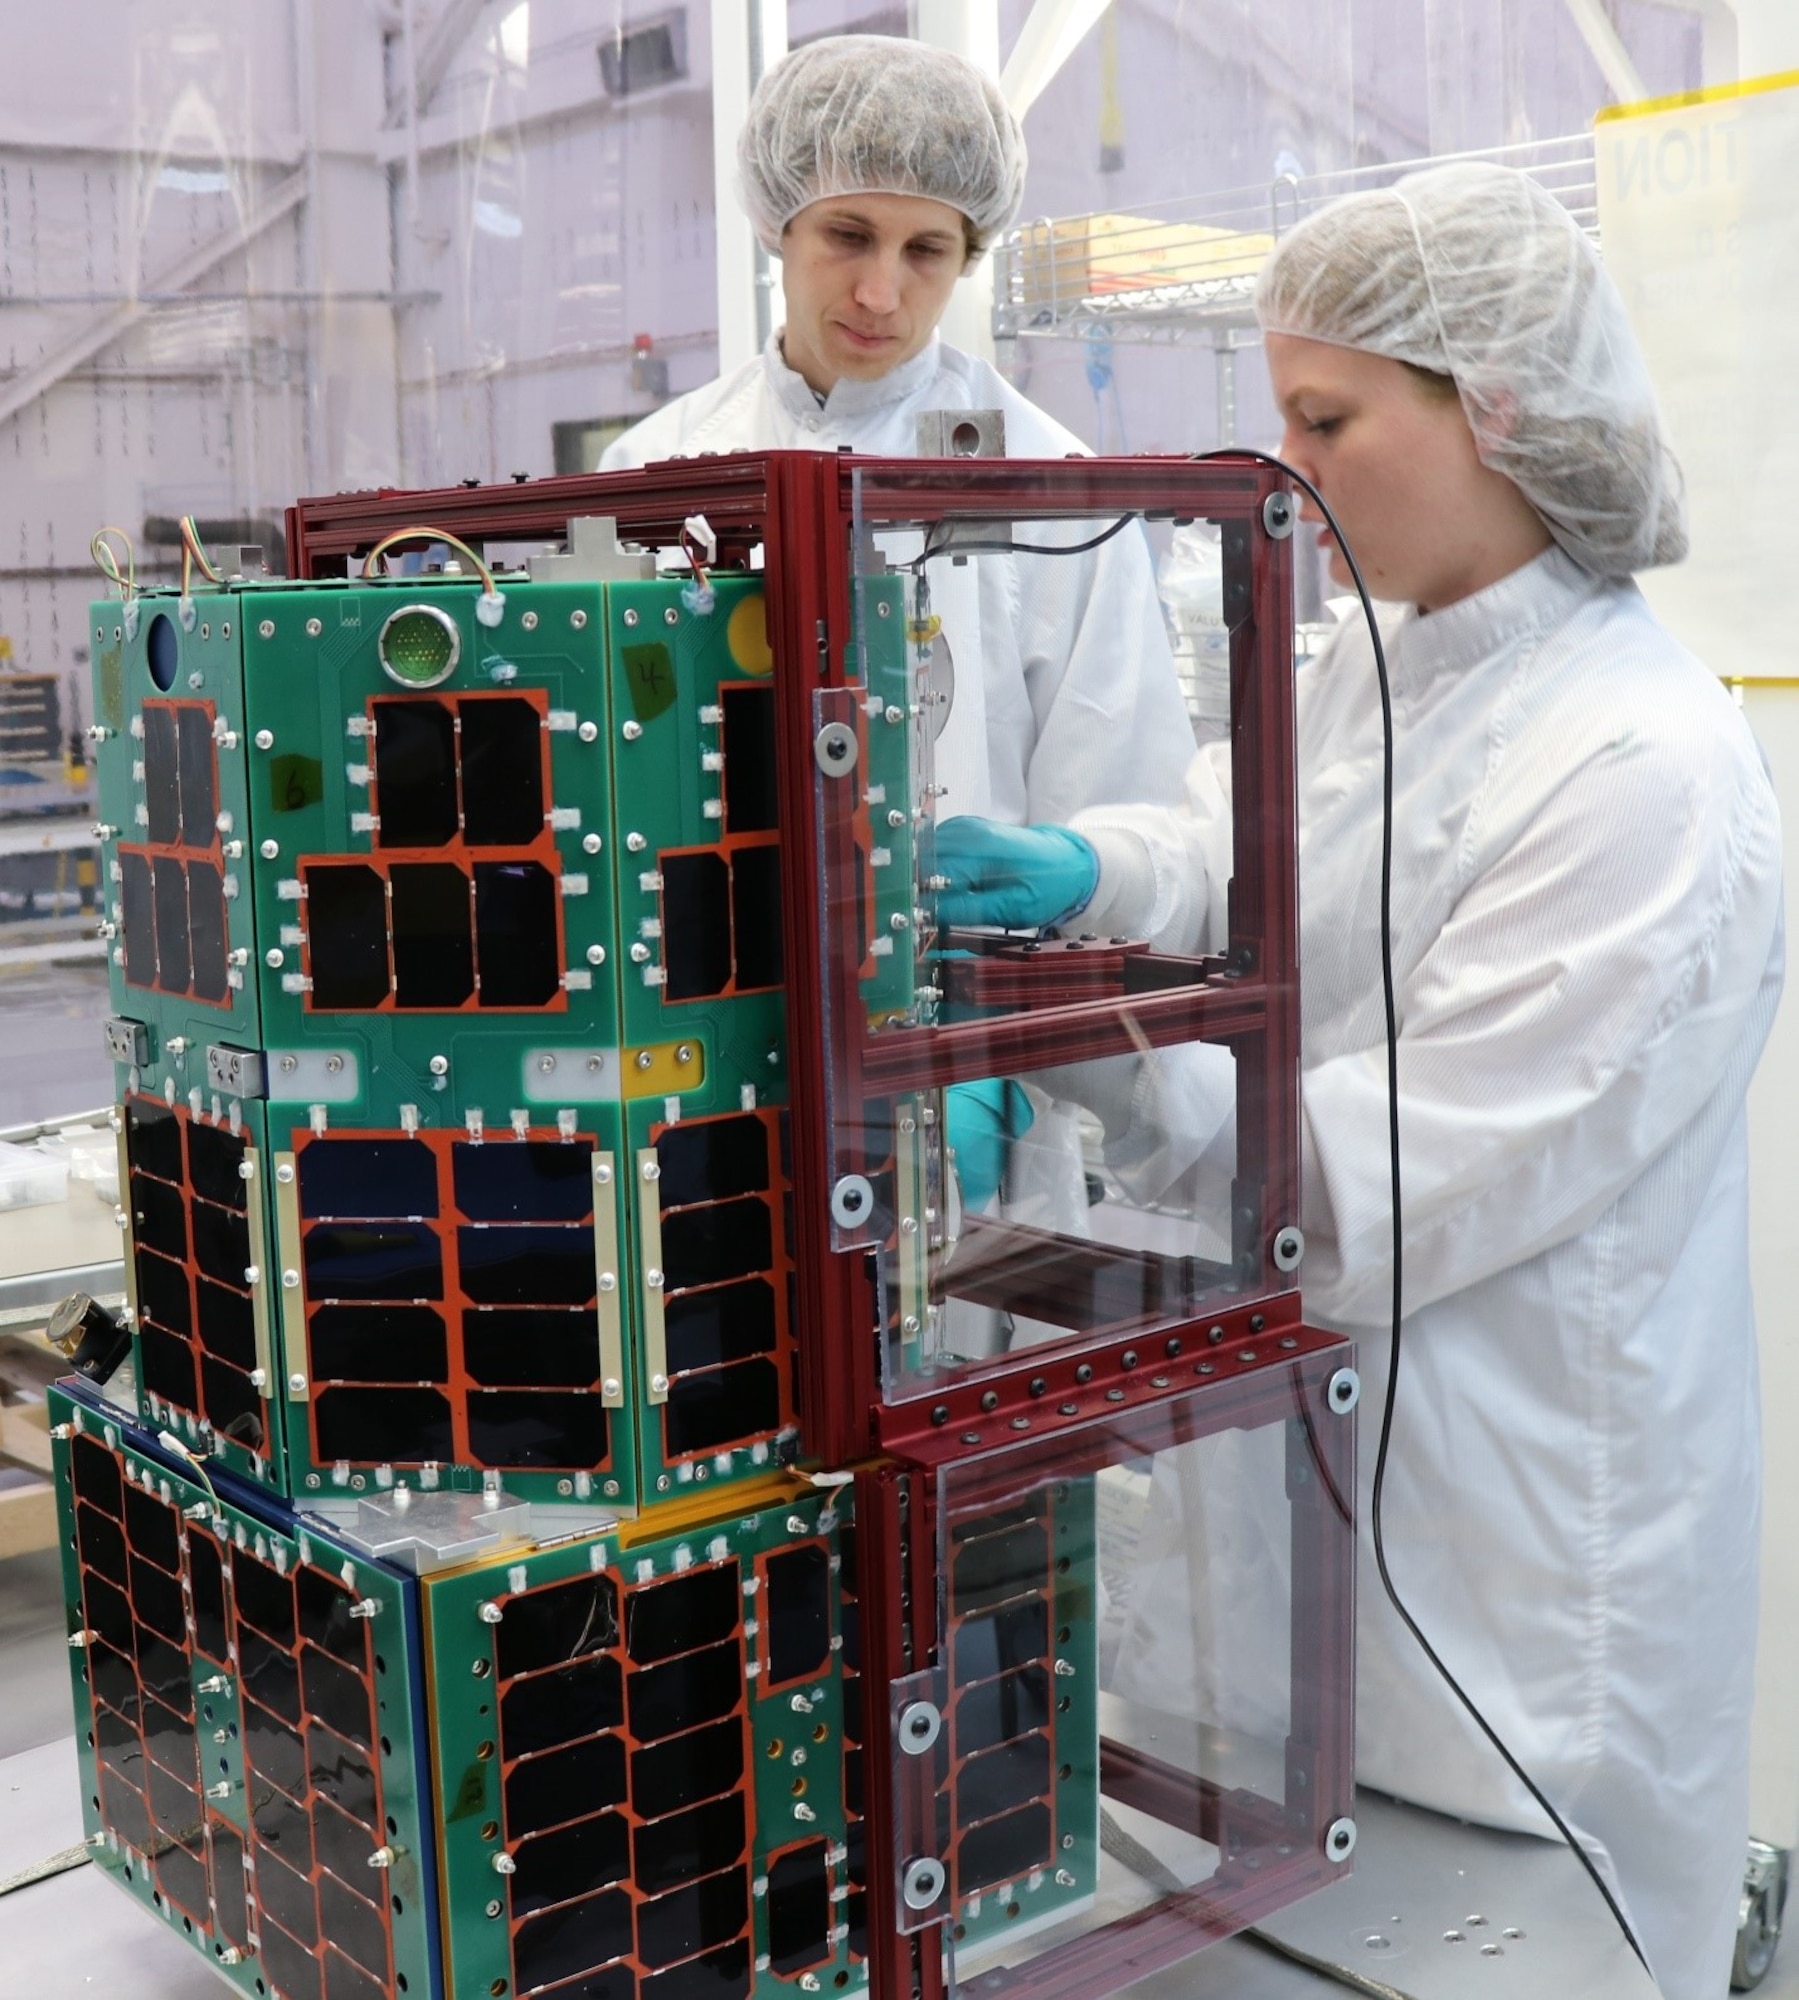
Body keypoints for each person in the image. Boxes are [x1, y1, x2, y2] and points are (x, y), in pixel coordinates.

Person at [937, 162, 1786, 2000]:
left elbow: (1383, 1178)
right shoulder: (1380, 660)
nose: (1287, 475)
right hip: (1299, 1538)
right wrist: (1095, 877)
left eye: (1324, 421)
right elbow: (1262, 856)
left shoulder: (1646, 767)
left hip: (1514, 1598)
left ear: (1493, 406)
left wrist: (1082, 1051)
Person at [606, 33, 1195, 1228]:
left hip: (969, 1092)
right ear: (779, 224)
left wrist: (1013, 1056)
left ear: (968, 253)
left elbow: (1123, 817)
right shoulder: (655, 468)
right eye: (847, 237)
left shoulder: (1051, 485)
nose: (880, 292)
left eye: (925, 249)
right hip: (702, 1070)